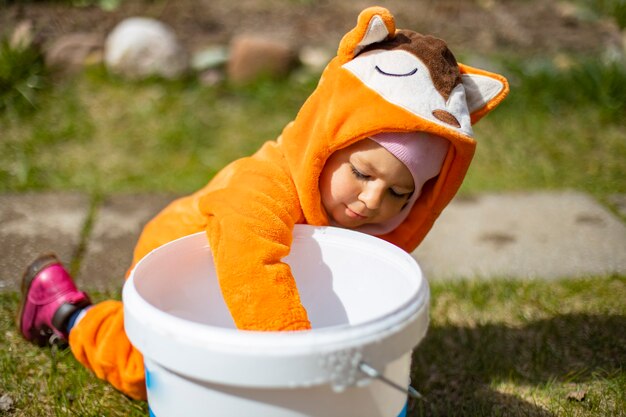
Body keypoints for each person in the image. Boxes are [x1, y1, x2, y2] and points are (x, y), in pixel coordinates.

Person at [17, 6, 509, 400]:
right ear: (325, 145)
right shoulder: (264, 184)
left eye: (401, 193)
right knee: (143, 368)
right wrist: (301, 361)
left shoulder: (366, 210)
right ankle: (67, 312)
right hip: (190, 259)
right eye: (361, 173)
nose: (372, 200)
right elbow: (251, 267)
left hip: (271, 282)